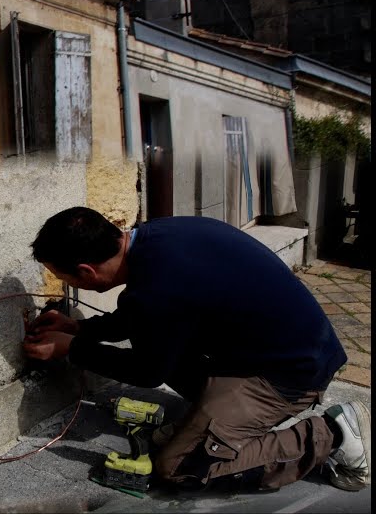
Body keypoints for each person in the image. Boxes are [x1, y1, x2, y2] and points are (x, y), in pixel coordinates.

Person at [22, 207, 370, 492]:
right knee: (163, 347)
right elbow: (147, 317)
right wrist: (81, 328)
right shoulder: (157, 237)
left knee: (179, 466)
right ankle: (211, 426)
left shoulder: (158, 286)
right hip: (285, 349)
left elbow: (147, 371)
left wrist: (74, 349)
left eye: (66, 279)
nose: (68, 286)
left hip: (291, 375)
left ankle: (334, 433)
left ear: (85, 271)